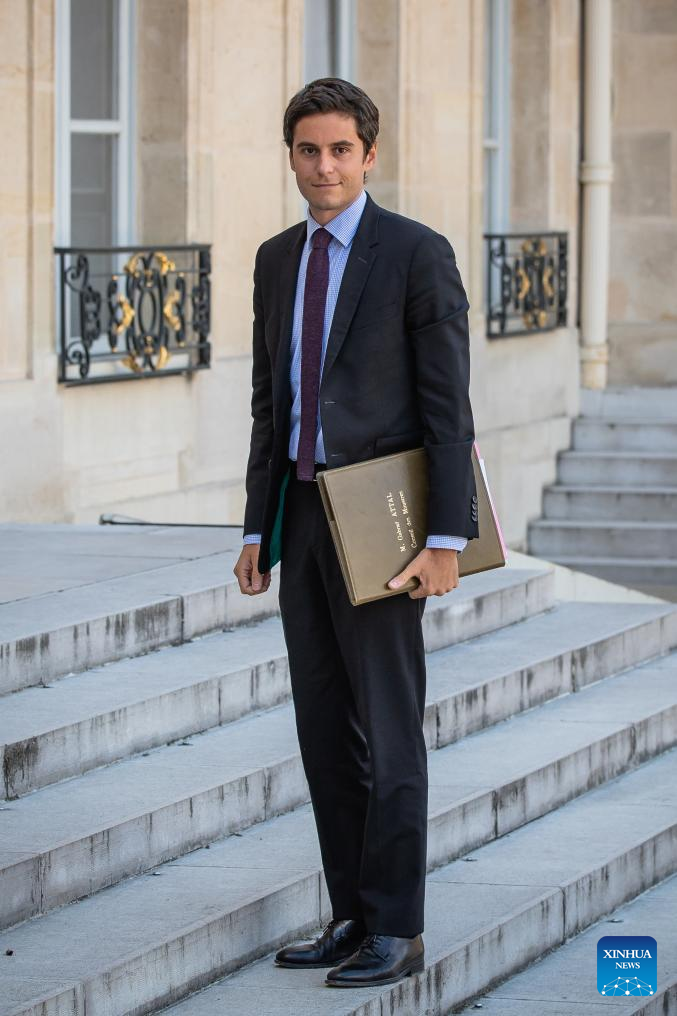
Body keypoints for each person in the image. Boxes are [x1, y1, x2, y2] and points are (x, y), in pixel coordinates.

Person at [233, 77, 479, 989]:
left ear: (369, 155)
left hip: (381, 523)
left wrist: (446, 539)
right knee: (323, 730)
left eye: (340, 150)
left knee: (387, 729)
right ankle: (351, 915)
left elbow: (448, 408)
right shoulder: (275, 259)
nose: (324, 166)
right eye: (308, 150)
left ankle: (397, 927)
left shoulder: (415, 253)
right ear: (291, 156)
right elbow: (270, 404)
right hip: (300, 517)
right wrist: (256, 527)